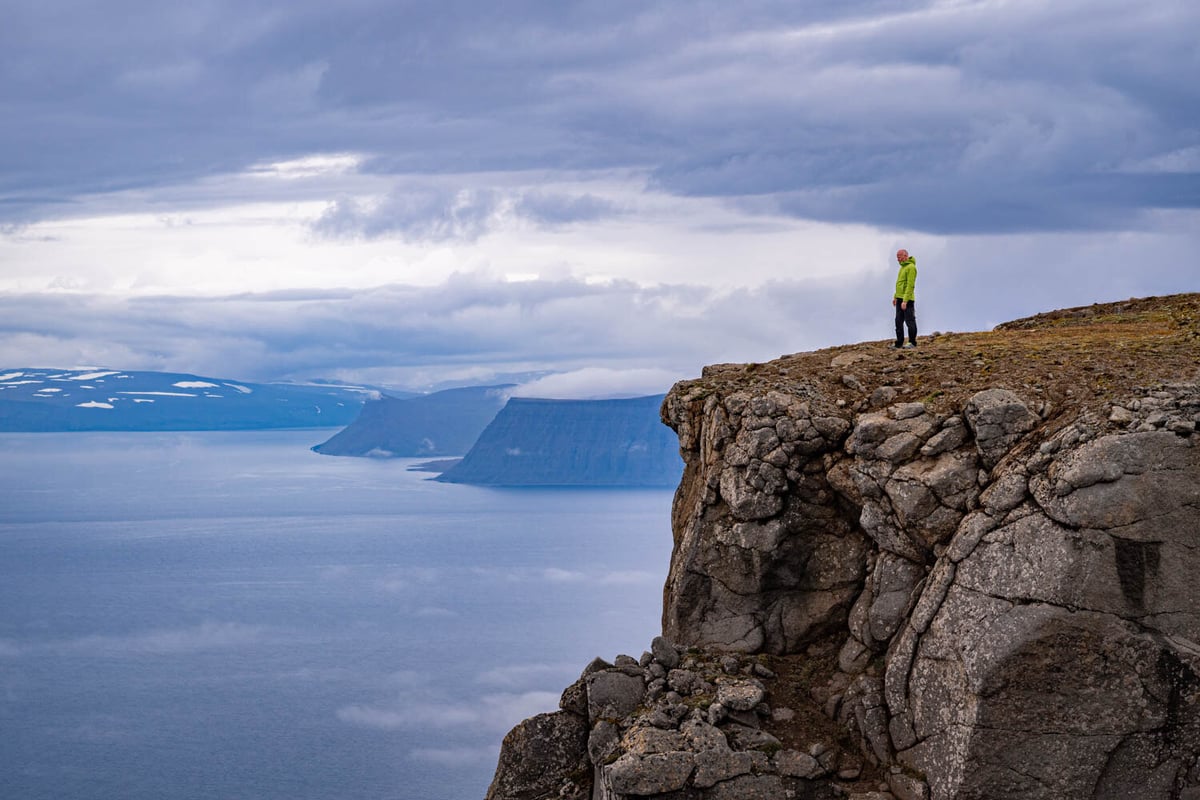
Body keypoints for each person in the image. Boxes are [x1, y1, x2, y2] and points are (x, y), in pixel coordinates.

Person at [892, 249, 918, 348]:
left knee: (910, 321)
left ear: (905, 256)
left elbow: (910, 285)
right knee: (898, 321)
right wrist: (895, 296)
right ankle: (899, 343)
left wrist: (905, 300)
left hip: (907, 300)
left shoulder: (911, 267)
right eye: (897, 257)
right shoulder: (902, 268)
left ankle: (912, 342)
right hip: (899, 299)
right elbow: (899, 284)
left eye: (899, 256)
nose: (898, 259)